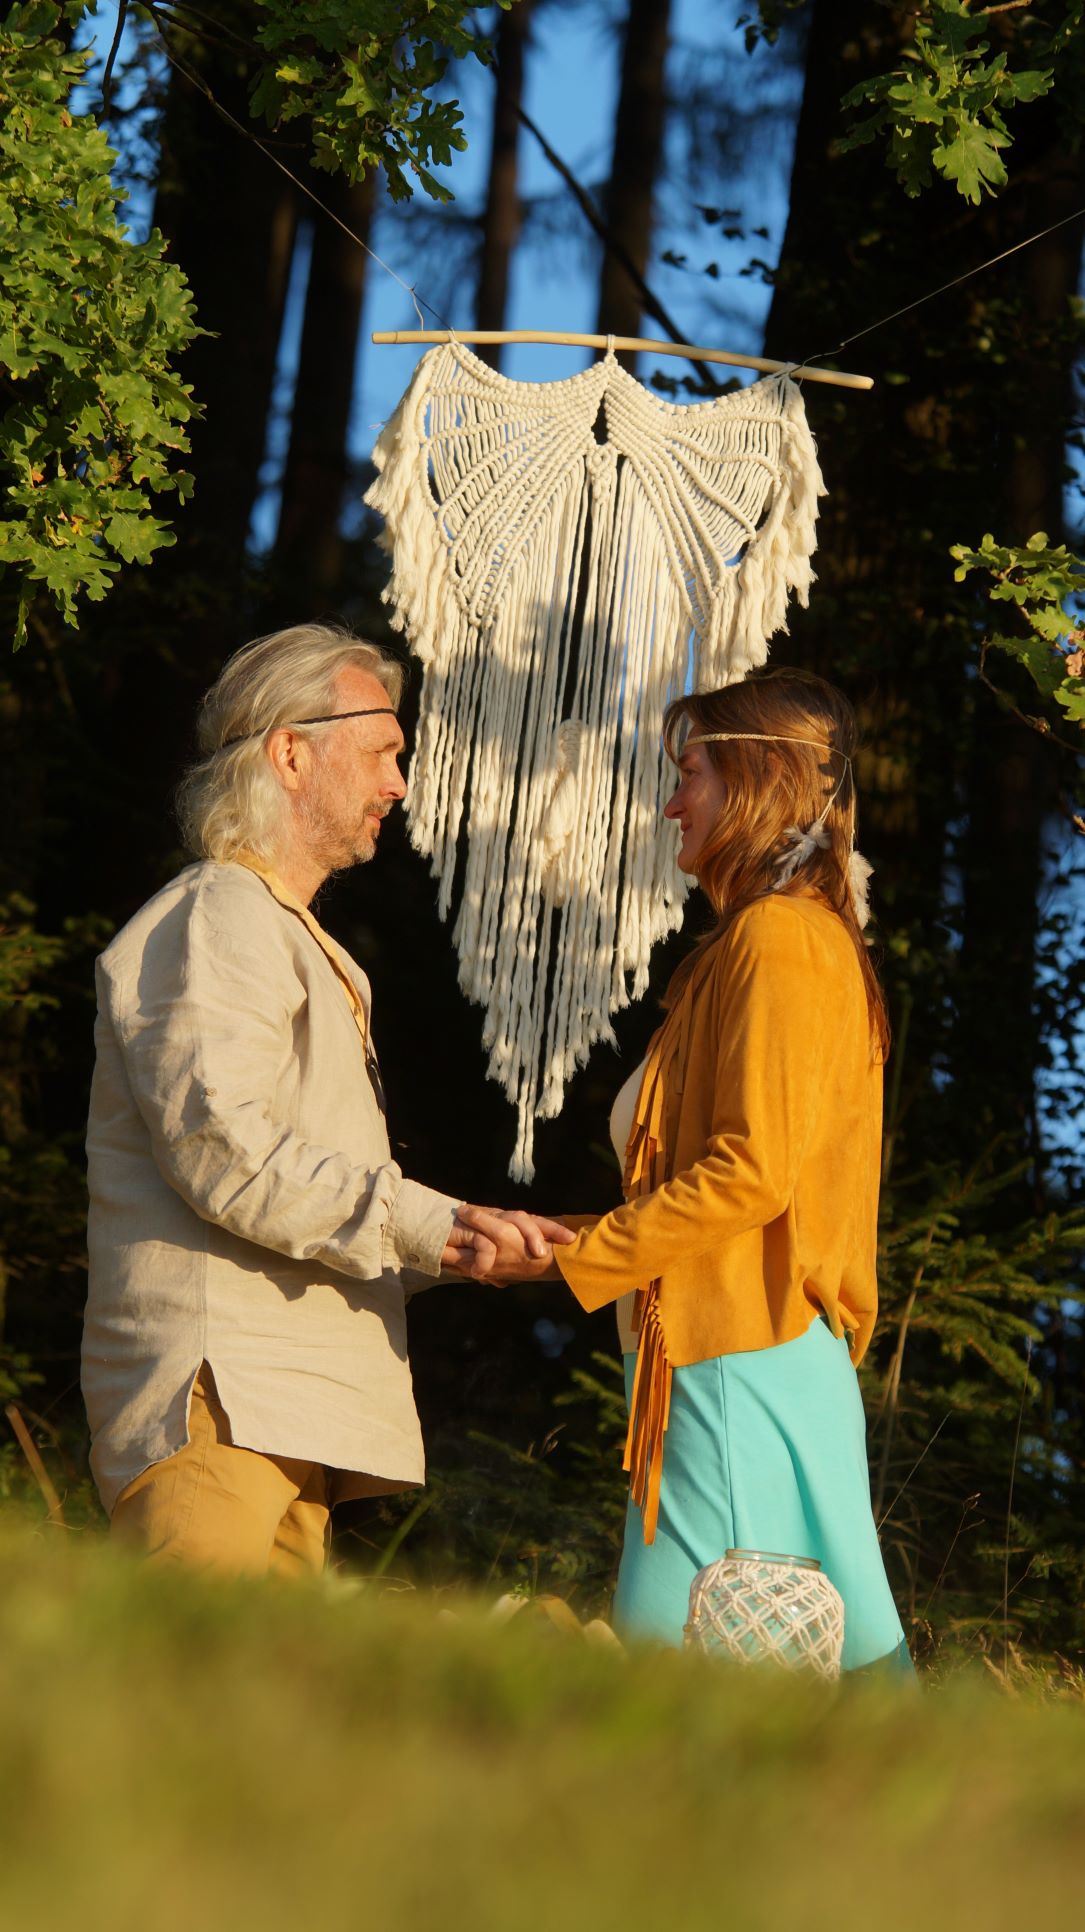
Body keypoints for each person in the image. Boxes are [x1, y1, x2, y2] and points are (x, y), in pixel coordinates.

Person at [83, 622, 568, 1577]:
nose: (399, 784)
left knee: (254, 1683)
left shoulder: (286, 935)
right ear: (291, 754)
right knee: (189, 1674)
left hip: (286, 1415)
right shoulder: (218, 911)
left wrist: (461, 1246)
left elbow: (307, 1199)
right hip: (220, 1401)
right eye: (383, 751)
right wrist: (433, 1223)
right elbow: (224, 1149)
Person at [460, 669, 912, 1673]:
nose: (672, 804)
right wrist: (569, 1242)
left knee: (695, 1698)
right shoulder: (762, 941)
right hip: (722, 1360)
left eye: (690, 774)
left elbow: (750, 1175)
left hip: (736, 1365)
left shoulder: (779, 939)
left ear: (756, 780)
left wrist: (561, 1262)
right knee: (820, 1691)